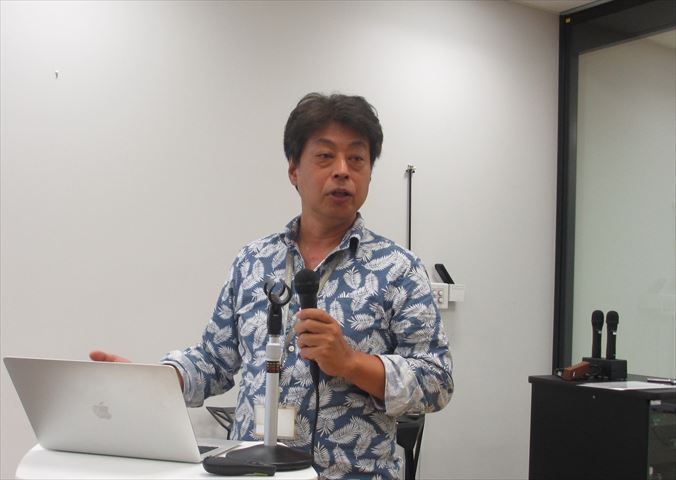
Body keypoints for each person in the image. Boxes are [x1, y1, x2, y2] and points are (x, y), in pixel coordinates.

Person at [91, 92, 454, 479]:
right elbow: (214, 360)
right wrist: (156, 382)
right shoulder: (253, 260)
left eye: (357, 158)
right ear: (294, 170)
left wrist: (351, 363)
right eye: (325, 156)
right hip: (252, 471)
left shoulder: (399, 269)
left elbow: (437, 381)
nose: (342, 170)